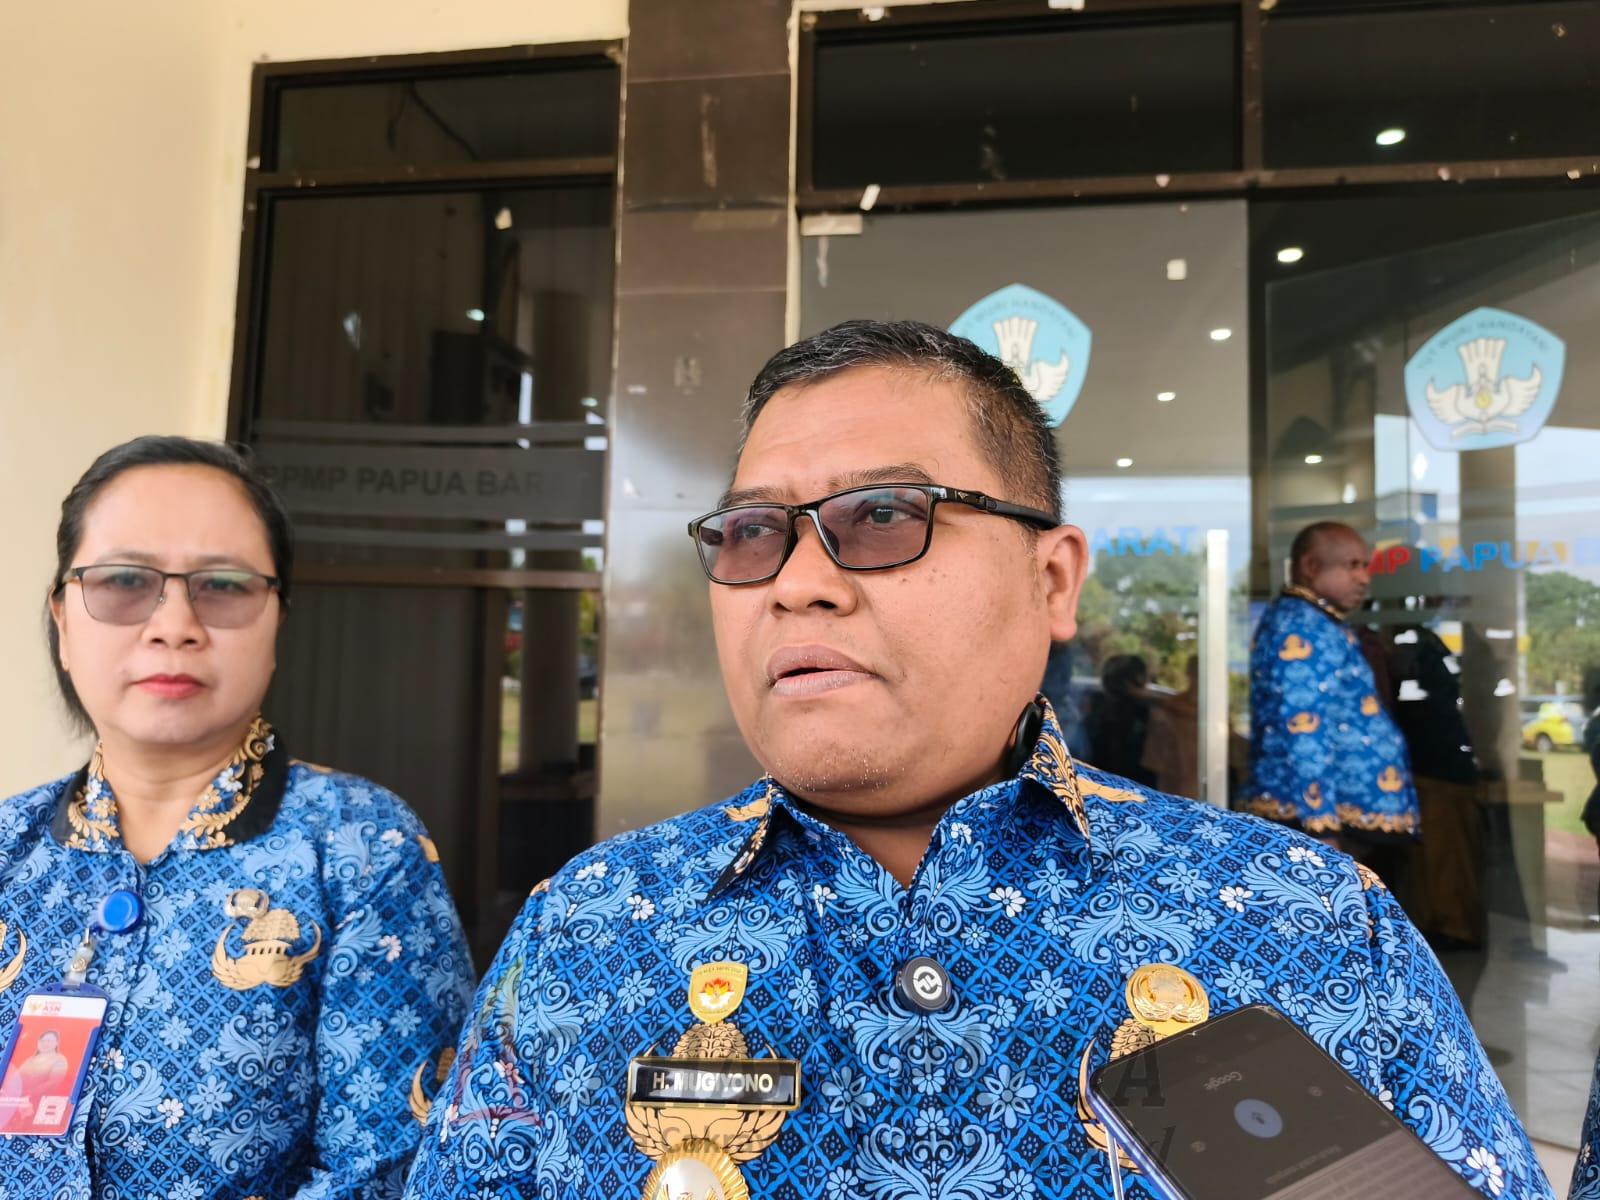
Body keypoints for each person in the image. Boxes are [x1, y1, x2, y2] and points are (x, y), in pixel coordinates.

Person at [404, 321, 1548, 1200]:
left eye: (881, 516)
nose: (797, 583)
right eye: (753, 534)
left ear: (1052, 580)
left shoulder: (1309, 925)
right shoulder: (584, 934)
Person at [0, 437, 475, 1197]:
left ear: (277, 621)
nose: (174, 624)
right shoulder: (8, 848)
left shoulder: (362, 849)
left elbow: (388, 1173)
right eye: (124, 581)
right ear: (62, 621)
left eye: (222, 585)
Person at [1242, 522, 1421, 875]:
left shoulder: (1319, 622)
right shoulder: (1300, 628)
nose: (1364, 578)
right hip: (1325, 827)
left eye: (1365, 566)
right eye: (1352, 566)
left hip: (1346, 820)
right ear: (1311, 567)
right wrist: (1320, 827)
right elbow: (1303, 728)